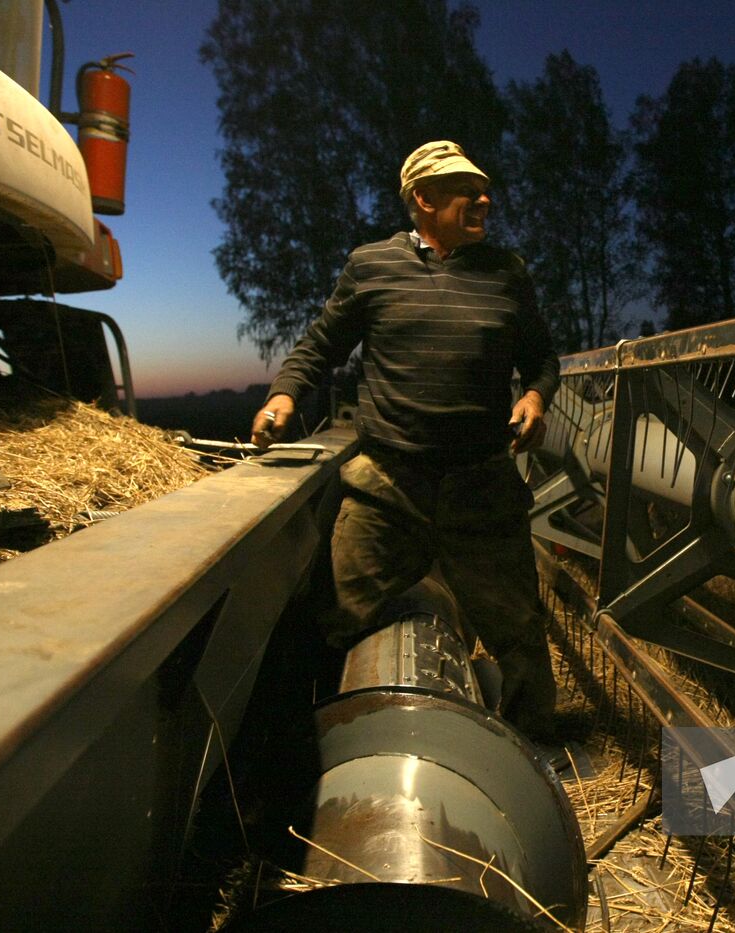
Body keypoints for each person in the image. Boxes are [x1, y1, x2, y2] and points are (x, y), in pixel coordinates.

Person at [250, 140, 561, 741]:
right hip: (388, 488)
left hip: (482, 488)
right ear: (424, 198)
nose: (484, 199)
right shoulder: (372, 266)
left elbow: (542, 357)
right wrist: (284, 393)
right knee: (328, 623)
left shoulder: (506, 273)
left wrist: (535, 396)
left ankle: (533, 765)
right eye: (468, 190)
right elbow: (320, 344)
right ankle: (302, 765)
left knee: (520, 636)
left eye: (484, 190)